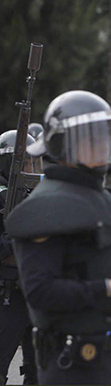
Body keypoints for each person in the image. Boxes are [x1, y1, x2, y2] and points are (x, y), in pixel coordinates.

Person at [5, 90, 111, 385]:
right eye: (90, 137)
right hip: (70, 364)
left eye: (103, 135)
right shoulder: (44, 208)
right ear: (63, 144)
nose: (101, 144)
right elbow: (41, 292)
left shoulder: (104, 200)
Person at [0, 131, 39, 385]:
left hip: (34, 292)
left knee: (40, 370)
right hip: (6, 295)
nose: (31, 168)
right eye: (25, 162)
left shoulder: (30, 194)